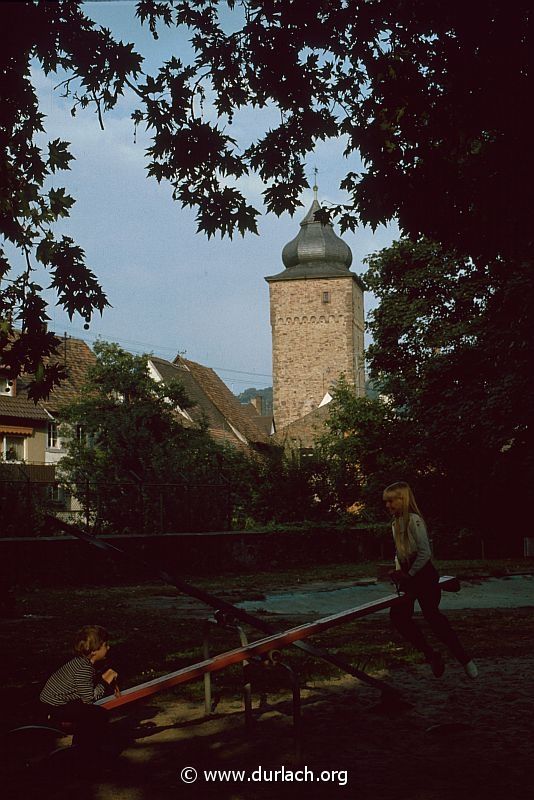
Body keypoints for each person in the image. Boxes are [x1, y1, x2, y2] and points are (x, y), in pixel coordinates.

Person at [383, 481, 478, 679]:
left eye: (391, 501)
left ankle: (464, 659)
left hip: (424, 574)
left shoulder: (414, 520)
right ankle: (431, 655)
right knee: (398, 616)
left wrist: (409, 574)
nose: (388, 505)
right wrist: (399, 571)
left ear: (403, 499)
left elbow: (425, 552)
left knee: (433, 617)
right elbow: (399, 553)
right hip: (409, 575)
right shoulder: (395, 523)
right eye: (386, 502)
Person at [40, 624, 120, 754]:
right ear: (94, 651)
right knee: (97, 715)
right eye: (106, 645)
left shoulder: (81, 662)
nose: (109, 647)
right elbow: (89, 700)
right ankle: (84, 751)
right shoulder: (84, 669)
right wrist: (105, 682)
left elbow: (85, 688)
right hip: (54, 706)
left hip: (53, 702)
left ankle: (81, 747)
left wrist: (103, 679)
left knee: (90, 713)